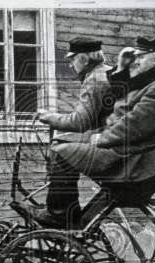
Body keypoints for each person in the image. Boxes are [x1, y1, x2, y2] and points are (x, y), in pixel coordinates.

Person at [36, 35, 155, 227]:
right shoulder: (152, 82)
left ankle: (60, 215)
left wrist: (100, 139)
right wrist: (122, 69)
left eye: (141, 56)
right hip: (129, 160)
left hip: (133, 167)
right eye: (135, 56)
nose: (136, 61)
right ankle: (66, 216)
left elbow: (133, 125)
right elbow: (120, 102)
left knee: (61, 152)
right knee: (65, 151)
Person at [34, 36, 113, 226]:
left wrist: (47, 117)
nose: (70, 65)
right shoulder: (104, 73)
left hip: (109, 144)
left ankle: (61, 214)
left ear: (84, 59)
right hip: (109, 136)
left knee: (62, 153)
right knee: (62, 142)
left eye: (72, 59)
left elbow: (80, 122)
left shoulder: (94, 80)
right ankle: (66, 209)